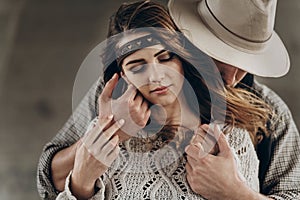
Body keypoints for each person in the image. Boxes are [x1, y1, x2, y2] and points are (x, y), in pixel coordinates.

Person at [36, 1, 275, 200]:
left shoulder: (231, 141)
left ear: (184, 58)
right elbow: (46, 179)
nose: (156, 76)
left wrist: (233, 192)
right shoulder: (101, 138)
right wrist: (81, 181)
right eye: (137, 66)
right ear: (121, 77)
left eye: (165, 58)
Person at [168, 0, 300, 199]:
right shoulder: (125, 85)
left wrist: (234, 192)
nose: (230, 79)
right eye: (223, 57)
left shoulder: (271, 112)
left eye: (243, 63)